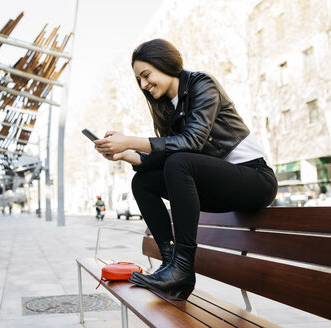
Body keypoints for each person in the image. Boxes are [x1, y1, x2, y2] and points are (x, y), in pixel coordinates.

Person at [94, 39, 277, 300]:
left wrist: (130, 140)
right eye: (139, 80)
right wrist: (124, 154)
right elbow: (167, 156)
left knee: (180, 162)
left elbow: (191, 143)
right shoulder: (169, 107)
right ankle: (171, 264)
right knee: (143, 182)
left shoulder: (202, 85)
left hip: (255, 180)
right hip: (220, 187)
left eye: (146, 75)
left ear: (166, 65)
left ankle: (182, 268)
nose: (144, 85)